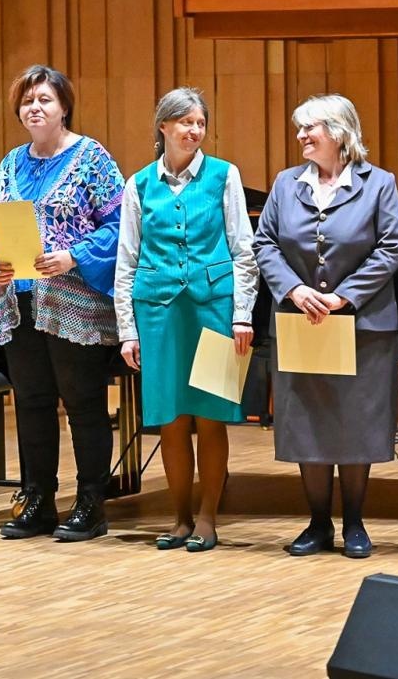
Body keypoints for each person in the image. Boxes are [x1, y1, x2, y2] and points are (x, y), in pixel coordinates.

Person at [253, 94, 398, 559]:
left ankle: (355, 522)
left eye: (310, 127)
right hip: (302, 322)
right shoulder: (285, 184)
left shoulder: (379, 184)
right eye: (300, 128)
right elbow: (265, 244)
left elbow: (392, 246)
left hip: (361, 326)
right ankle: (318, 523)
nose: (301, 136)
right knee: (309, 424)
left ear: (339, 132)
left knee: (355, 423)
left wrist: (344, 296)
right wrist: (296, 291)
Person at [0, 65, 125, 542]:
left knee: (83, 403)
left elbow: (120, 227)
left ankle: (90, 503)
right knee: (32, 401)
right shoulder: (9, 163)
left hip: (74, 303)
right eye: (26, 100)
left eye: (44, 99)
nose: (34, 107)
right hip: (19, 302)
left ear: (64, 107)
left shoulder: (93, 158)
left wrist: (74, 256)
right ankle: (37, 499)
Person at [116, 87, 258, 553]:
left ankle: (208, 517)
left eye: (200, 122)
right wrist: (127, 330)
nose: (194, 130)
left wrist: (241, 316)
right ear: (164, 127)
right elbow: (127, 260)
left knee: (211, 417)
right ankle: (178, 519)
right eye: (185, 122)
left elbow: (243, 250)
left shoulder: (224, 175)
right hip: (157, 313)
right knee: (171, 420)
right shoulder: (138, 184)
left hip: (213, 308)